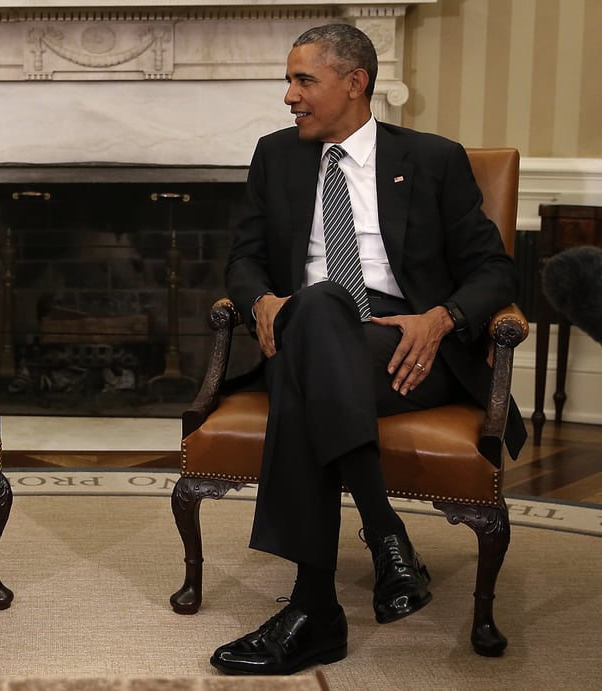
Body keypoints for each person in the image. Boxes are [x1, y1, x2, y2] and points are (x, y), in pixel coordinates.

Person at [210, 24, 526, 676]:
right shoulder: (276, 156)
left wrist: (441, 318)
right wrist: (263, 301)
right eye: (289, 80)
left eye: (304, 81)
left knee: (314, 338)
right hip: (307, 331)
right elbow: (243, 260)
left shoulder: (434, 158)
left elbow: (494, 271)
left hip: (409, 348)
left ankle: (316, 610)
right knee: (320, 305)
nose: (289, 96)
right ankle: (381, 538)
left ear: (354, 83)